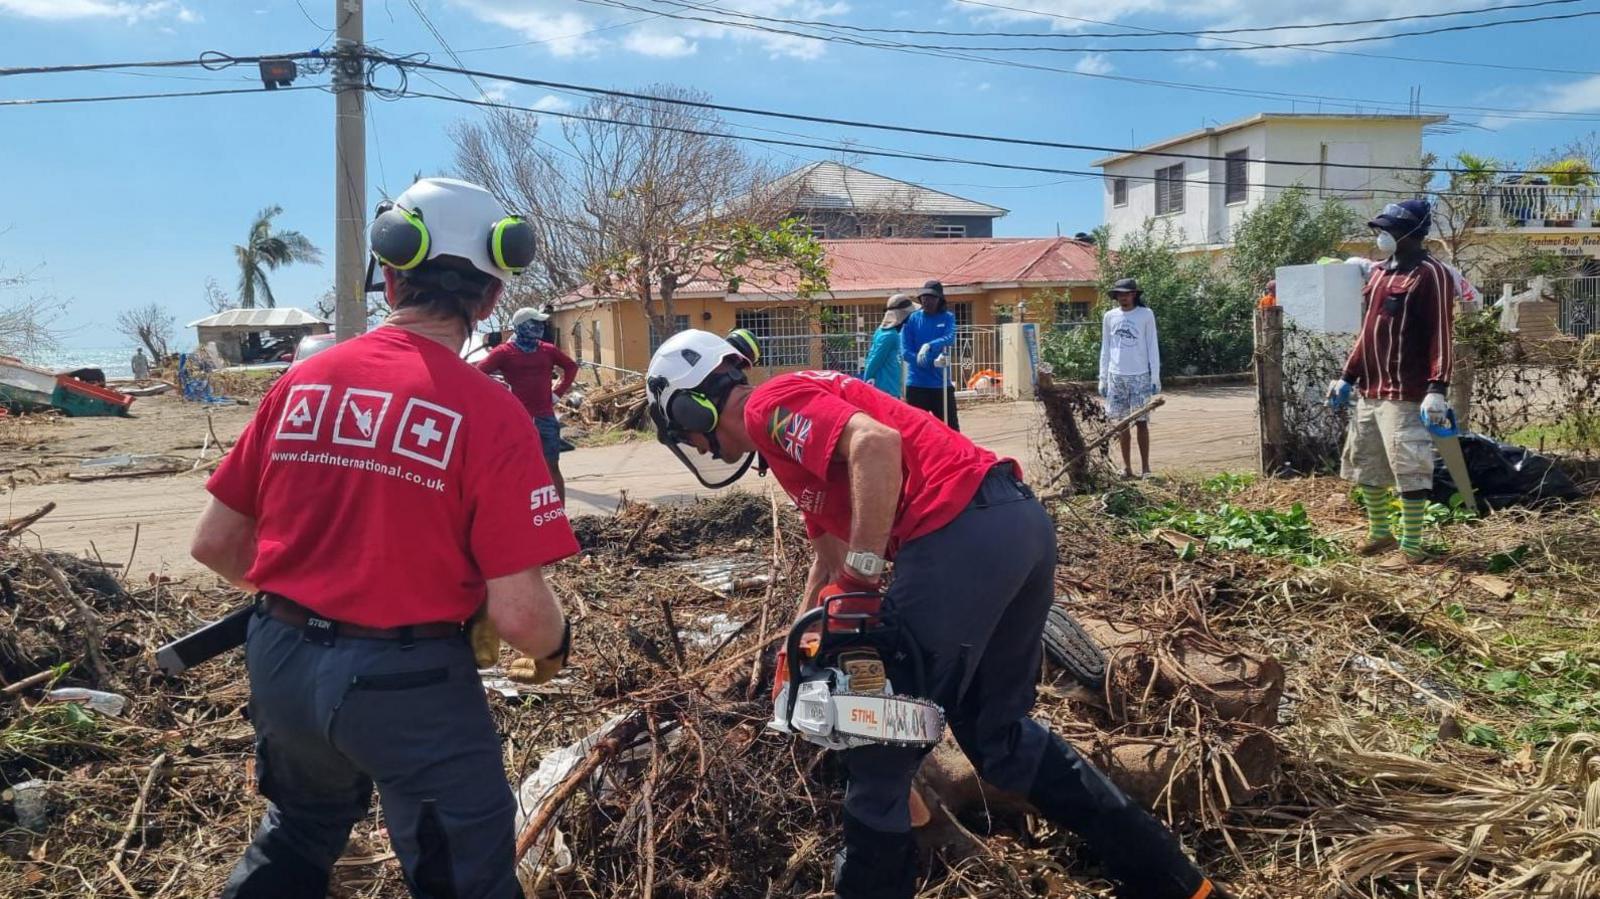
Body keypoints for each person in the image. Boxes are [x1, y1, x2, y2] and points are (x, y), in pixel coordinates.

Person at [643, 330, 1225, 899]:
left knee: (877, 746)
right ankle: (1178, 882)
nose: (696, 448)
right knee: (999, 738)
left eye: (686, 435)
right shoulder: (793, 441)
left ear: (694, 410)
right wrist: (791, 658)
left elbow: (876, 446)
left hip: (957, 534)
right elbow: (829, 561)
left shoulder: (770, 405)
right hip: (1014, 526)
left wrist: (864, 580)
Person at [192, 177, 577, 899]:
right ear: (491, 297)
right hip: (407, 686)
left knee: (300, 831)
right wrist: (557, 646)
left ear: (390, 277)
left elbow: (216, 545)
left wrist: (314, 599)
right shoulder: (489, 416)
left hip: (280, 660)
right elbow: (522, 617)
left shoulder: (302, 380)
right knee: (464, 873)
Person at [1328, 199, 1457, 562]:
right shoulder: (1380, 274)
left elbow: (1442, 333)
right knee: (1366, 463)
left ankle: (1412, 547)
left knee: (1409, 468)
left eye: (1392, 230)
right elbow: (1367, 333)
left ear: (1414, 233)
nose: (1384, 236)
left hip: (1406, 392)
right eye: (1382, 229)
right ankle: (1380, 533)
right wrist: (1346, 376)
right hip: (1370, 390)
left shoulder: (1431, 274)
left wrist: (1438, 388)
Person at [478, 306, 579, 501]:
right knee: (517, 467)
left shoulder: (547, 350)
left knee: (551, 466)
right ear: (522, 326)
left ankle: (560, 515)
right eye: (535, 323)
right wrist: (500, 395)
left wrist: (557, 392)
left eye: (541, 323)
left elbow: (571, 366)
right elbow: (477, 373)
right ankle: (522, 512)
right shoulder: (504, 352)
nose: (540, 327)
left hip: (545, 417)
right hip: (517, 418)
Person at [1097, 278, 1162, 478]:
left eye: (1126, 294)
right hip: (1116, 376)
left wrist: (1155, 376)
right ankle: (1127, 467)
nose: (1123, 297)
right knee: (1121, 424)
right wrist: (1103, 377)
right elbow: (1106, 347)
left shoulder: (1145, 315)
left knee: (1141, 422)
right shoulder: (1110, 317)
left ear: (1134, 294)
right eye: (1119, 294)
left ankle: (1145, 468)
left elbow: (1152, 345)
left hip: (1139, 375)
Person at [900, 280, 959, 430]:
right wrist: (926, 362)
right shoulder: (912, 319)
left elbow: (950, 337)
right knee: (916, 430)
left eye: (932, 297)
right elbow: (905, 352)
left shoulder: (947, 317)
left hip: (941, 384)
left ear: (940, 299)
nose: (927, 300)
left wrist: (929, 346)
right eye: (924, 297)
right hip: (917, 385)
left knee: (951, 429)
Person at [860, 293, 914, 398]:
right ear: (902, 315)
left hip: (888, 388)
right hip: (887, 390)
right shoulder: (890, 335)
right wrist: (866, 381)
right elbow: (875, 359)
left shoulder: (882, 331)